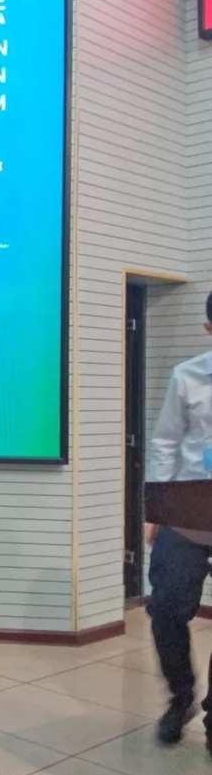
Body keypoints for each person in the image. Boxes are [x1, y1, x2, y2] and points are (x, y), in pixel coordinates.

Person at [146, 291, 212, 751]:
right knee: (166, 609)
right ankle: (181, 696)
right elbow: (166, 441)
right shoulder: (187, 376)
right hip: (189, 510)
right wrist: (158, 510)